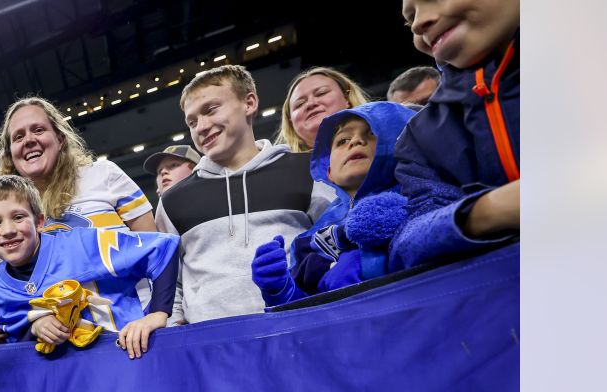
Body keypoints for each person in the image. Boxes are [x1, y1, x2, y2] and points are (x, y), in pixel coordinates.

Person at [155, 64, 335, 324]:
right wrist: (176, 329)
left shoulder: (308, 171)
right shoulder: (172, 201)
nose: (201, 127)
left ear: (249, 103)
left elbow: (335, 250)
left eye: (211, 110)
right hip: (213, 348)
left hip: (301, 331)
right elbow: (172, 283)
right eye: (192, 122)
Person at [0, 175, 178, 359]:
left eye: (18, 217)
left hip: (125, 357)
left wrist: (157, 314)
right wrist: (35, 327)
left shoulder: (83, 243)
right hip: (65, 383)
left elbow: (162, 248)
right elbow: (18, 345)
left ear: (39, 222)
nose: (9, 230)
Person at [392, 0, 519, 271]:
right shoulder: (418, 138)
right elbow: (408, 240)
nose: (417, 24)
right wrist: (491, 209)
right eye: (409, 18)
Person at [252, 102, 418, 306]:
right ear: (328, 170)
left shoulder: (422, 200)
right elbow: (304, 314)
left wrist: (371, 262)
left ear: (398, 142)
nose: (356, 141)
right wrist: (280, 291)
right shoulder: (307, 241)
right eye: (342, 141)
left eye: (372, 133)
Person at [0, 97, 158, 237]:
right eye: (18, 136)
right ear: (10, 154)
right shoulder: (6, 213)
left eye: (38, 130)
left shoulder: (104, 174)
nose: (28, 140)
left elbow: (155, 249)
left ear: (60, 139)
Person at [276, 67, 371, 152]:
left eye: (321, 93)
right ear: (291, 122)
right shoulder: (282, 169)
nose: (310, 104)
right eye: (299, 104)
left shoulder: (381, 142)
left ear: (347, 98)